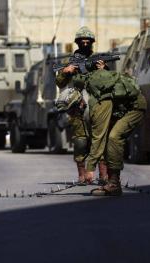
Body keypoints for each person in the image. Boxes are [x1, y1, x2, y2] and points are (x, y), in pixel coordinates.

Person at [55, 26, 108, 185]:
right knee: (80, 141)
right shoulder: (70, 61)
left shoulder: (98, 59)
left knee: (99, 140)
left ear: (92, 42)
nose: (85, 43)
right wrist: (67, 71)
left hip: (97, 104)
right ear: (78, 42)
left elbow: (109, 81)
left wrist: (103, 69)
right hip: (77, 106)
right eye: (82, 41)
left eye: (88, 41)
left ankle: (103, 174)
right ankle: (82, 175)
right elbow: (59, 83)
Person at [85, 69, 147, 196]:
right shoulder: (99, 89)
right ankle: (111, 180)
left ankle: (114, 184)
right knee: (109, 139)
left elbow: (98, 136)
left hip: (135, 109)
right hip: (124, 109)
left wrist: (90, 168)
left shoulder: (100, 101)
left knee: (114, 137)